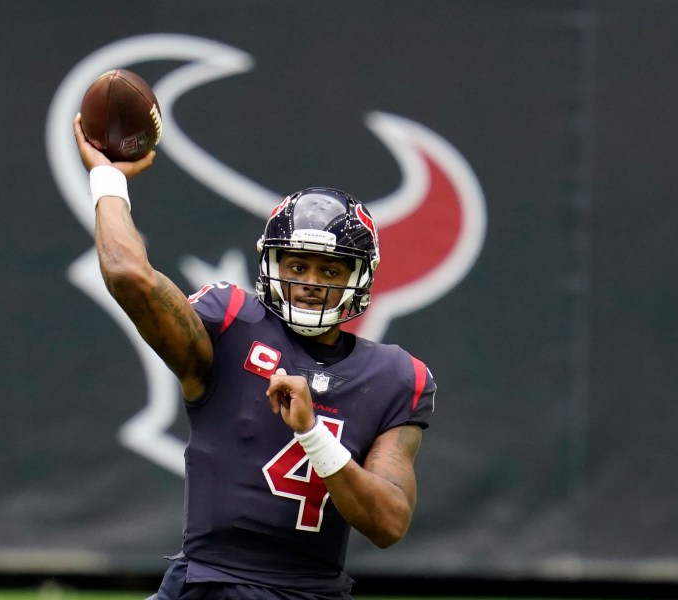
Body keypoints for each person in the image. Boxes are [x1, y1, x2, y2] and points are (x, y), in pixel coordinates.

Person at [73, 113, 436, 600]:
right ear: (271, 264)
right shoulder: (231, 324)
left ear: (359, 279)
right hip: (205, 583)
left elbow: (389, 523)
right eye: (298, 265)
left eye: (329, 270)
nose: (310, 283)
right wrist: (108, 176)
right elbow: (129, 276)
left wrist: (313, 435)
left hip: (310, 593)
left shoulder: (396, 376)